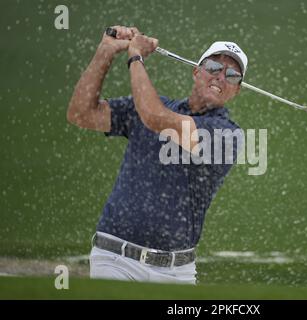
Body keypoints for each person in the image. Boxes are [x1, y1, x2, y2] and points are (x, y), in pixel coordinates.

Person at [66, 26, 248, 284]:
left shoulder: (227, 135)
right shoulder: (148, 106)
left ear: (237, 90)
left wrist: (136, 57)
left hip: (177, 272)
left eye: (232, 75)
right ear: (197, 71)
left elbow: (154, 118)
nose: (220, 77)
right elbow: (80, 114)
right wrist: (105, 52)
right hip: (115, 260)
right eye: (213, 67)